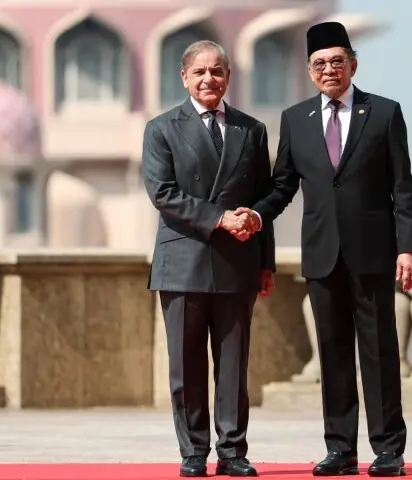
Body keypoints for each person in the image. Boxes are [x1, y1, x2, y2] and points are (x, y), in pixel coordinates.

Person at [237, 22, 412, 477]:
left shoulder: (383, 113)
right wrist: (257, 215)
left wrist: (409, 248)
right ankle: (340, 448)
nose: (329, 70)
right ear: (308, 70)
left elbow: (402, 186)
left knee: (378, 352)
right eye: (319, 63)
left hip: (374, 254)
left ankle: (388, 450)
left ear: (353, 65)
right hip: (322, 256)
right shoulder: (295, 119)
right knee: (334, 353)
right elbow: (283, 186)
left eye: (337, 61)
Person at [141, 39, 275, 478]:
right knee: (187, 365)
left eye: (216, 71)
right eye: (199, 72)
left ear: (229, 76)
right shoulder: (162, 128)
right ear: (184, 77)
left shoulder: (251, 130)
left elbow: (261, 202)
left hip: (238, 264)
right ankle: (193, 451)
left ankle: (233, 451)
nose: (208, 79)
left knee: (234, 365)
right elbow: (163, 194)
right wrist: (219, 218)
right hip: (183, 262)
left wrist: (265, 262)